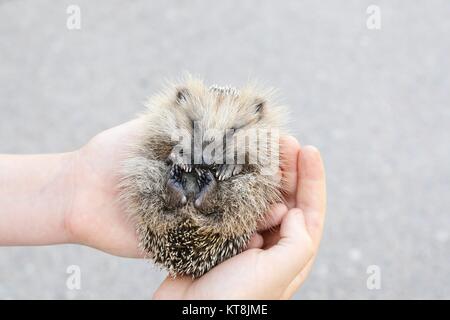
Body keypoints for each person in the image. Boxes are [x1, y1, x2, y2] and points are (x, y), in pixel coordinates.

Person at [0, 119, 326, 299]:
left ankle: (198, 200)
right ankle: (202, 200)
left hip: (185, 201)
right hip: (184, 199)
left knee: (238, 194)